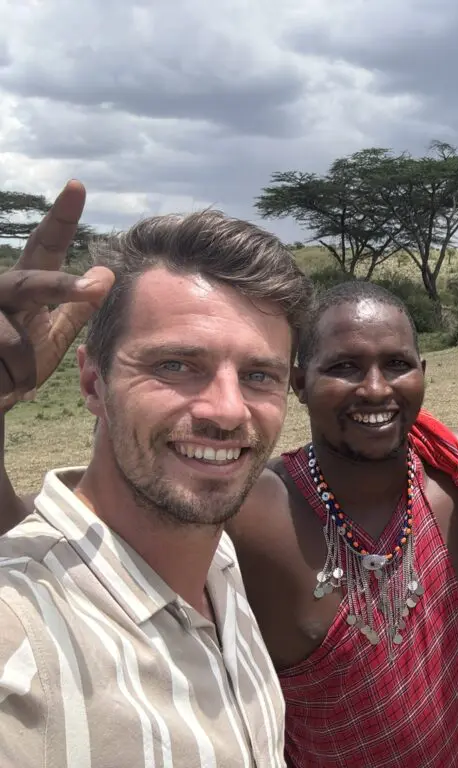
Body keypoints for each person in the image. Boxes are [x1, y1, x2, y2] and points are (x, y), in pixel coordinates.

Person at [0, 201, 458, 766]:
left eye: (395, 365)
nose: (373, 389)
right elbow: (73, 548)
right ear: (300, 382)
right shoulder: (248, 507)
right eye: (343, 367)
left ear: (423, 375)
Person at [0, 180, 314, 767]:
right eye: (176, 365)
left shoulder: (219, 565)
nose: (228, 410)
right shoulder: (20, 638)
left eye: (259, 376)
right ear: (93, 383)